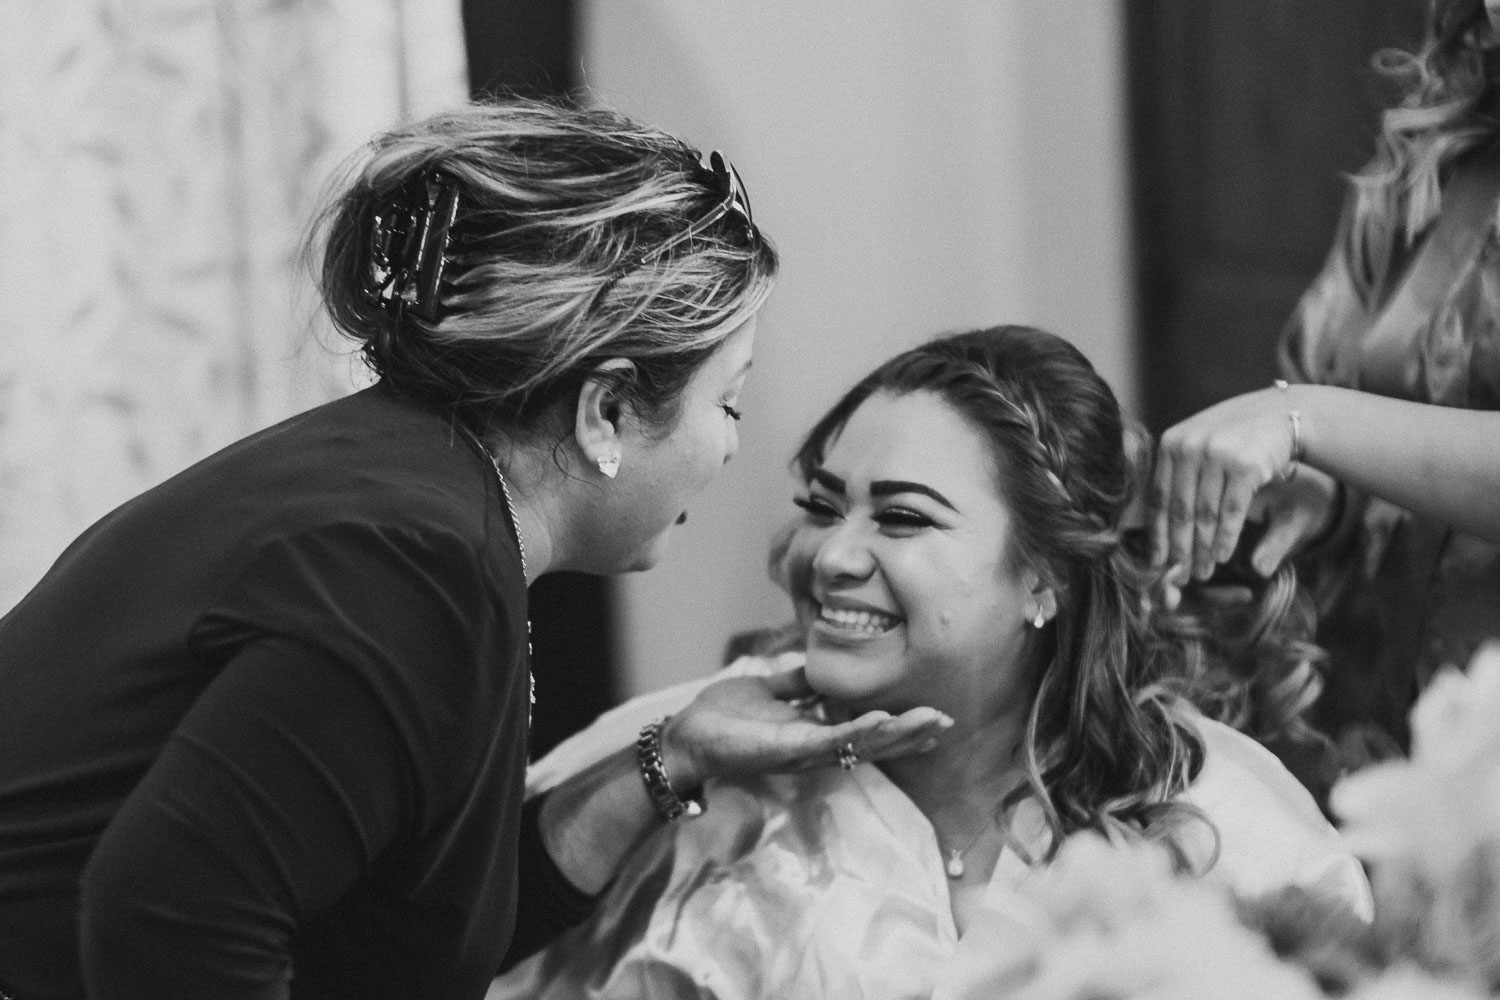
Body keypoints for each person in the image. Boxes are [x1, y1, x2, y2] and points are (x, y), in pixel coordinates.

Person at [0, 99, 951, 1000]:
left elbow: (395, 936)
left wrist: (675, 758)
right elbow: (162, 925)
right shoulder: (413, 567)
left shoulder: (413, 490)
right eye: (728, 402)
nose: (733, 444)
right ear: (608, 409)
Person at [491, 326, 1370, 1000]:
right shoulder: (698, 747)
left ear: (1045, 577)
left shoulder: (1224, 824)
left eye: (902, 519)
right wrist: (668, 763)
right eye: (822, 506)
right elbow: (445, 950)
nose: (832, 555)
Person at [1152, 0, 1500, 781]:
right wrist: (1323, 488)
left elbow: (1320, 412)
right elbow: (1339, 388)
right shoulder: (1434, 160)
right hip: (1390, 702)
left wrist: (1305, 420)